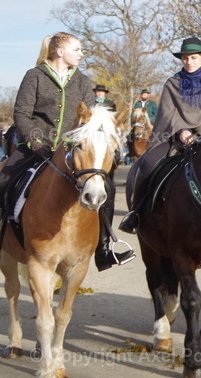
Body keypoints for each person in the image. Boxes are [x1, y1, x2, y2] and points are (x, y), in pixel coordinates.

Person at [0, 33, 134, 271]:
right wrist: (35, 142)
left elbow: (88, 118)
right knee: (4, 179)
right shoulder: (35, 75)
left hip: (70, 151)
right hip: (34, 147)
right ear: (59, 52)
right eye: (77, 49)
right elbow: (21, 113)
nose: (81, 53)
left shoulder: (82, 80)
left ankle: (104, 249)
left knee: (107, 188)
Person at [119, 37, 201, 233]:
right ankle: (135, 213)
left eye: (193, 57)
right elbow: (167, 114)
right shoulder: (172, 83)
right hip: (176, 140)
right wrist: (181, 131)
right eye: (185, 58)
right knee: (148, 163)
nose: (189, 62)